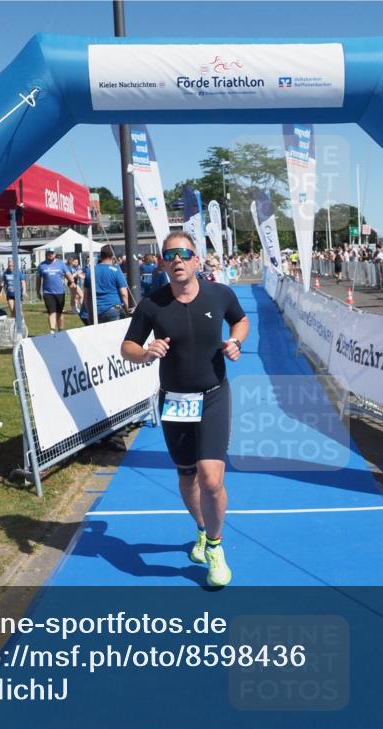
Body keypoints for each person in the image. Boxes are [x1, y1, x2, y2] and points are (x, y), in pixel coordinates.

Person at [120, 230, 249, 587]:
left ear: (196, 260)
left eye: (184, 253)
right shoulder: (152, 304)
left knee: (211, 477)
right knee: (187, 475)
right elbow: (126, 347)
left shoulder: (219, 293)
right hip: (175, 400)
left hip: (213, 395)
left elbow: (240, 319)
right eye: (169, 255)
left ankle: (215, 547)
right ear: (162, 263)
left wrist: (236, 341)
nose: (177, 259)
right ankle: (202, 528)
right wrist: (146, 352)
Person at [84, 245, 129, 325]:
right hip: (114, 309)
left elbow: (86, 296)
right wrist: (128, 310)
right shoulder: (116, 271)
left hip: (96, 310)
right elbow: (124, 293)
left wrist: (89, 313)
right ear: (112, 256)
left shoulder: (90, 271)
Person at [36, 249, 74, 334]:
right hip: (48, 293)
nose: (50, 254)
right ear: (46, 254)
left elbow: (68, 274)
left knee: (59, 313)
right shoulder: (42, 265)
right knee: (52, 312)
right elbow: (38, 279)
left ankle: (61, 331)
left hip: (60, 292)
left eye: (52, 253)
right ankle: (52, 331)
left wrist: (72, 282)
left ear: (55, 254)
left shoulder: (61, 264)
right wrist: (38, 291)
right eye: (48, 253)